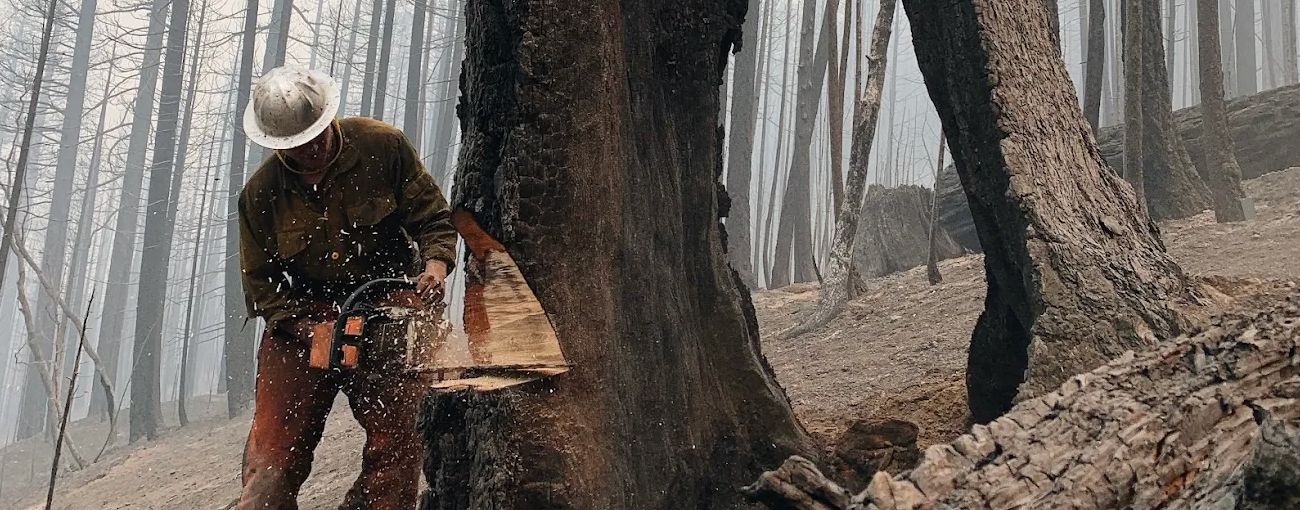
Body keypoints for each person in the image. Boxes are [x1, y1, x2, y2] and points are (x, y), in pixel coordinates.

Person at [235, 66, 457, 509]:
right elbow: (260, 285)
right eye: (298, 146)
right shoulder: (260, 195)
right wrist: (308, 328)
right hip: (304, 322)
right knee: (272, 463)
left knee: (398, 444)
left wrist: (434, 268)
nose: (312, 149)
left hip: (387, 306)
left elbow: (433, 218)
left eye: (316, 136)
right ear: (279, 145)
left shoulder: (382, 146)